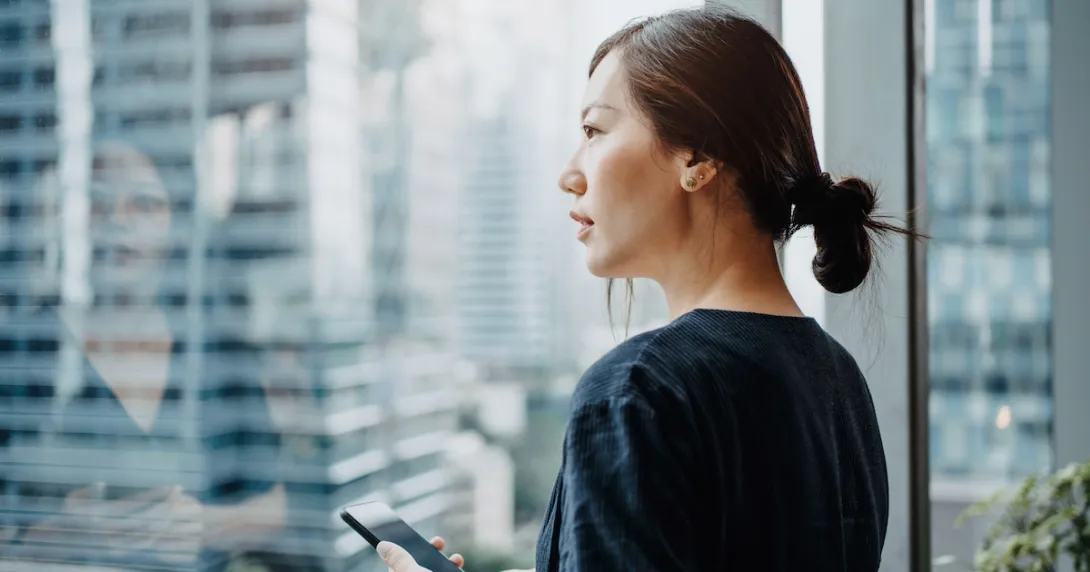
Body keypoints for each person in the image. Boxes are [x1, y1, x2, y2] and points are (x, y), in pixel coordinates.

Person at [380, 6, 899, 572]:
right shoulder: (841, 382)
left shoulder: (639, 391)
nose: (569, 174)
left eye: (594, 131)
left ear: (696, 157)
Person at [2, 141, 287, 570]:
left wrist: (199, 526)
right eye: (96, 201)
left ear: (177, 222)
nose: (117, 220)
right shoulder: (27, 347)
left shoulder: (217, 352)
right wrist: (62, 535)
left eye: (144, 203)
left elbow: (275, 507)